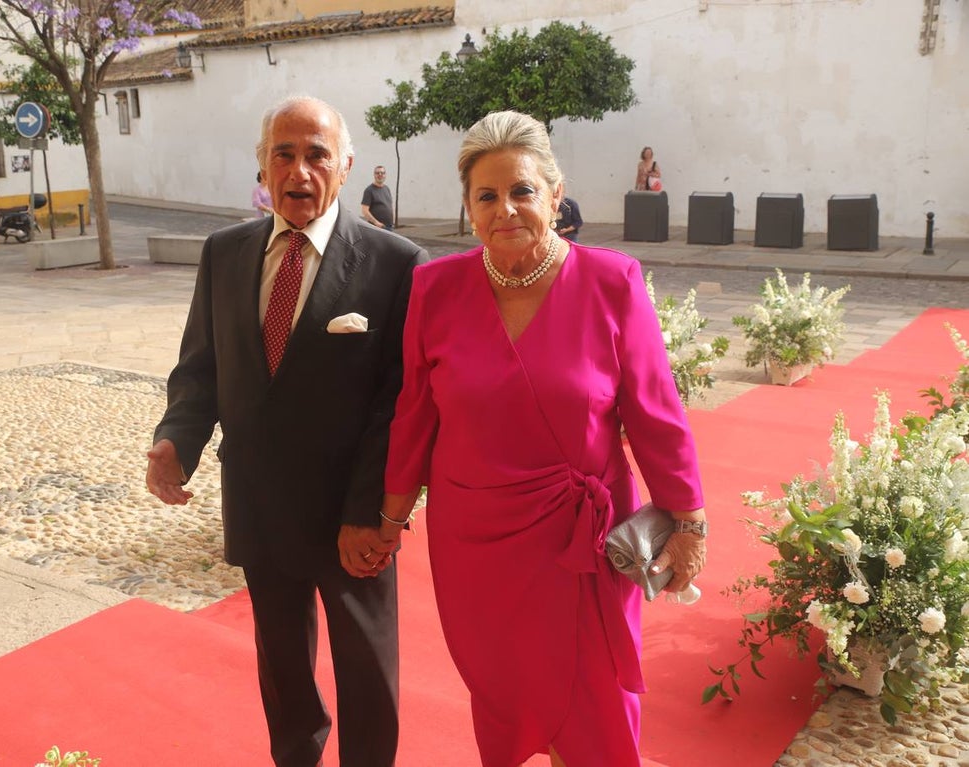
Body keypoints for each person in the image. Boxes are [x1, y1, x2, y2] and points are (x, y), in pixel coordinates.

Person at [377, 111, 707, 767]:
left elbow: (655, 410)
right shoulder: (434, 289)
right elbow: (414, 414)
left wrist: (689, 520)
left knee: (597, 709)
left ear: (556, 197)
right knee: (506, 693)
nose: (505, 209)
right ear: (469, 208)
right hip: (477, 547)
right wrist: (387, 518)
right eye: (487, 195)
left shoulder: (613, 281)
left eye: (522, 190)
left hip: (584, 545)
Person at [146, 95, 428, 767]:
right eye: (284, 154)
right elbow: (201, 366)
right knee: (283, 671)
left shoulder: (396, 263)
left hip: (350, 517)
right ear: (263, 165)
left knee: (366, 670)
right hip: (260, 503)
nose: (299, 171)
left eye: (317, 155)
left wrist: (370, 512)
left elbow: (399, 401)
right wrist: (176, 440)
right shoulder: (224, 253)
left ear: (346, 166)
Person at [361, 165, 395, 229]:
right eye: (377, 173)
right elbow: (364, 211)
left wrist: (393, 221)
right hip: (376, 228)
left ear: (385, 175)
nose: (380, 175)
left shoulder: (387, 188)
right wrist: (376, 223)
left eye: (382, 173)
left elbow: (390, 206)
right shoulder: (369, 190)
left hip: (389, 227)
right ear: (374, 175)